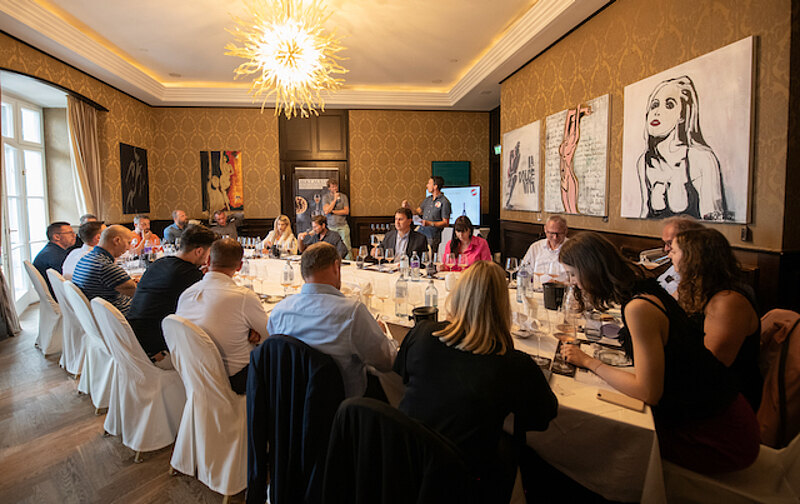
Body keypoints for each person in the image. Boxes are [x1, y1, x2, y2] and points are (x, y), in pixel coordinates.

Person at [560, 232, 759, 473]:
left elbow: (648, 392)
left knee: (590, 439)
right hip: (725, 415)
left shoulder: (638, 307)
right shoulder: (644, 284)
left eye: (573, 274)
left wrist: (589, 362)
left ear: (590, 270)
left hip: (720, 436)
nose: (572, 282)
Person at [394, 261, 557, 500]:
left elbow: (401, 374)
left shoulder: (422, 333)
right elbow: (542, 418)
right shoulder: (514, 364)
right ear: (503, 306)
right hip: (461, 480)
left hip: (403, 462)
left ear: (458, 295)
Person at [267, 242, 396, 398]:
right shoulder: (352, 313)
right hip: (341, 405)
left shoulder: (279, 312)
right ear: (336, 267)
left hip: (291, 401)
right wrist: (383, 334)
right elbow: (387, 362)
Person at [670, 228, 763, 411]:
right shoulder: (692, 288)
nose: (668, 256)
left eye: (673, 251)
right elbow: (666, 311)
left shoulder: (728, 302)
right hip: (696, 386)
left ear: (692, 257)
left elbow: (710, 367)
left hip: (727, 401)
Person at [176, 238, 267, 394]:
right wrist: (252, 334)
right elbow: (269, 335)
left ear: (208, 260)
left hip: (192, 373)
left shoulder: (187, 293)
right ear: (239, 266)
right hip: (232, 379)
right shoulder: (243, 297)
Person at [636, 75, 729, 221]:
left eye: (669, 105)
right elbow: (644, 215)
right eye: (654, 105)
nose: (657, 112)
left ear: (682, 115)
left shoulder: (701, 158)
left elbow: (714, 219)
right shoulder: (644, 162)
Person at [127, 224, 217, 369]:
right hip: (155, 350)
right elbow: (212, 304)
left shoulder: (159, 263)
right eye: (209, 253)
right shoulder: (189, 275)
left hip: (133, 339)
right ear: (199, 251)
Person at [72, 225, 138, 316]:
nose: (128, 248)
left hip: (100, 315)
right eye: (128, 242)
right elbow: (139, 293)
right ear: (117, 241)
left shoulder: (86, 258)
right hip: (120, 317)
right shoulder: (105, 266)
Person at [402, 175, 451, 254]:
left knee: (428, 257)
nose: (427, 185)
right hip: (420, 233)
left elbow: (446, 223)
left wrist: (430, 223)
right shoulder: (428, 199)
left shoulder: (444, 202)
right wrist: (408, 207)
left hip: (432, 236)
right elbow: (417, 211)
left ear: (435, 186)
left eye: (429, 183)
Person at [657, 216, 704, 295]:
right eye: (664, 243)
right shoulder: (675, 266)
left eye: (670, 243)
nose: (666, 249)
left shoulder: (700, 278)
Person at [33, 221, 77, 296]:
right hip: (60, 295)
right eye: (70, 233)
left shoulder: (51, 250)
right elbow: (69, 279)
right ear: (56, 237)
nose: (74, 236)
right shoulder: (54, 255)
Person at [520, 215, 568, 282]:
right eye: (551, 233)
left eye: (558, 233)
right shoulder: (535, 247)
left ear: (565, 231)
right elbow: (524, 272)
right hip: (536, 287)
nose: (555, 237)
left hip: (561, 288)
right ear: (545, 229)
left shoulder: (573, 249)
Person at [321, 179, 352, 259]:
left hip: (343, 226)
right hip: (331, 227)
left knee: (347, 248)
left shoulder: (344, 197)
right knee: (331, 248)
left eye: (336, 186)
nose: (335, 188)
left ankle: (350, 264)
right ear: (329, 188)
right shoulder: (325, 197)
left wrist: (333, 211)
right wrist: (335, 199)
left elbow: (346, 211)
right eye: (333, 187)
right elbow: (326, 211)